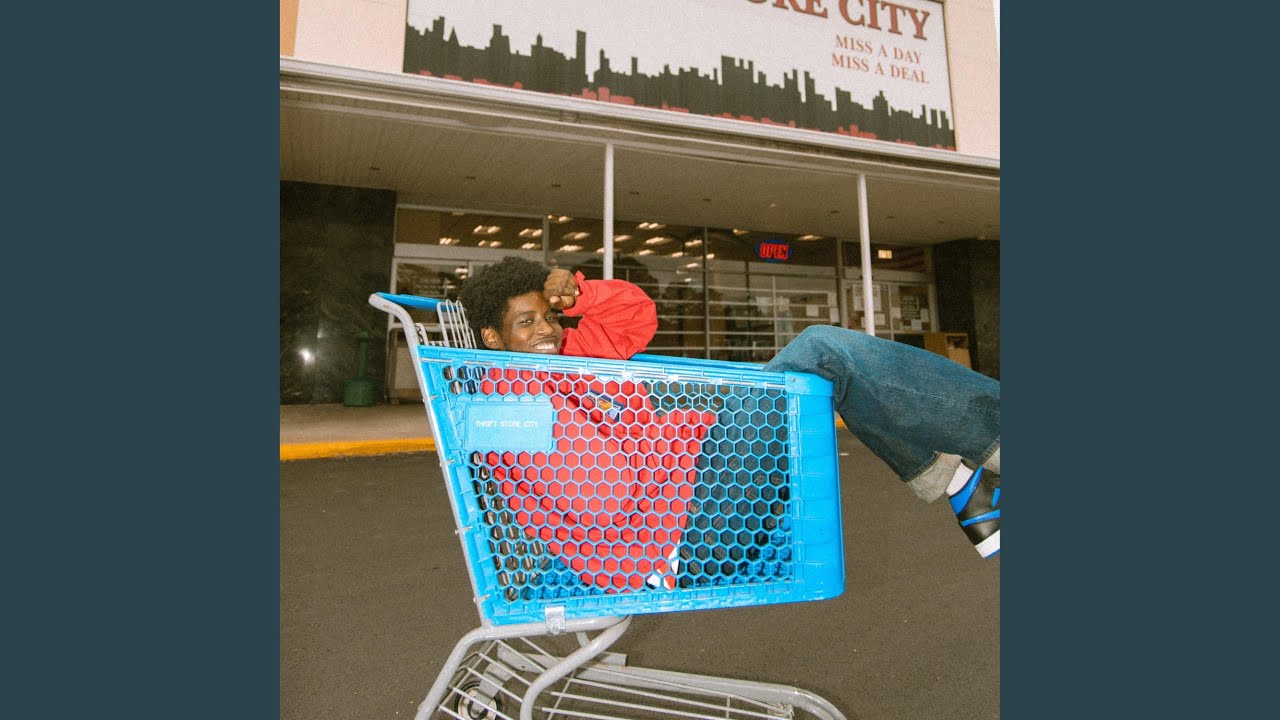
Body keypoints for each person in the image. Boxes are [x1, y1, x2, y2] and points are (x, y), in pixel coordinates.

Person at [458, 256, 1000, 561]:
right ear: (491, 337)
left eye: (549, 317)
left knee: (820, 371)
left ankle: (961, 484)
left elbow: (636, 318)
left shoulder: (570, 359)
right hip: (681, 538)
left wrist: (582, 296)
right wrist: (681, 433)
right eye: (526, 323)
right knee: (820, 353)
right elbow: (604, 502)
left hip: (691, 506)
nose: (547, 331)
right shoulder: (508, 407)